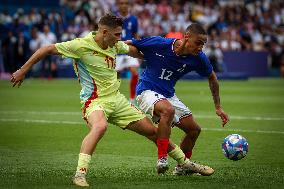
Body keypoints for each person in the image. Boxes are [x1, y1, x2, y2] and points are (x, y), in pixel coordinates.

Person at [10, 14, 213, 187]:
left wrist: (156, 59)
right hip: (95, 102)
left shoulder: (114, 45)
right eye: (117, 34)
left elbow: (134, 51)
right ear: (104, 32)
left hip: (118, 101)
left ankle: (185, 163)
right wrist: (23, 70)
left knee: (153, 132)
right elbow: (46, 49)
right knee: (100, 127)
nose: (120, 38)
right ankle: (80, 173)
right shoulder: (80, 45)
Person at [129, 23, 229, 175]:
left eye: (203, 44)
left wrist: (218, 107)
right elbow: (131, 44)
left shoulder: (198, 58)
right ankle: (162, 158)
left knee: (194, 130)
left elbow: (212, 78)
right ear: (186, 37)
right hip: (146, 90)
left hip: (168, 94)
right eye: (198, 43)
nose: (200, 47)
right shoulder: (160, 43)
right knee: (168, 110)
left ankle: (182, 167)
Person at [114, 0, 140, 103]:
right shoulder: (113, 19)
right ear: (118, 5)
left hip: (129, 50)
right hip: (116, 51)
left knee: (134, 72)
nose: (124, 5)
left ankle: (132, 98)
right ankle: (114, 97)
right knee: (115, 76)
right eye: (121, 3)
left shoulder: (133, 19)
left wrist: (139, 49)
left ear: (128, 5)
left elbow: (136, 35)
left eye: (126, 3)